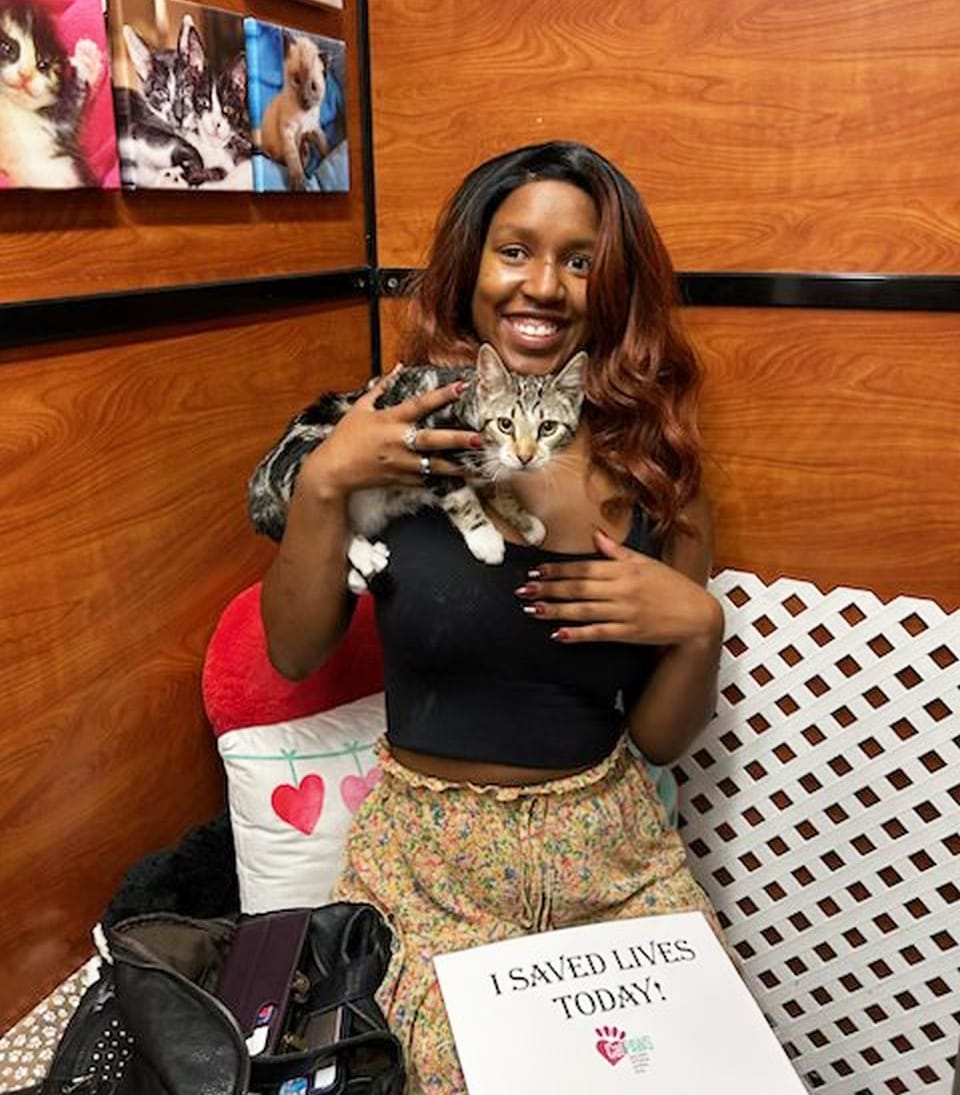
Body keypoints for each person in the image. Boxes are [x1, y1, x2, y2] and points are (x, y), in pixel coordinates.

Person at [260, 140, 726, 1094]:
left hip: (613, 860)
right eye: (515, 250)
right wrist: (326, 481)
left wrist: (698, 625)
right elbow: (293, 651)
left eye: (580, 260)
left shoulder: (654, 472)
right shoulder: (395, 433)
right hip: (427, 870)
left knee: (690, 1070)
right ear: (471, 266)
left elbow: (661, 738)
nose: (543, 285)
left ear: (615, 287)